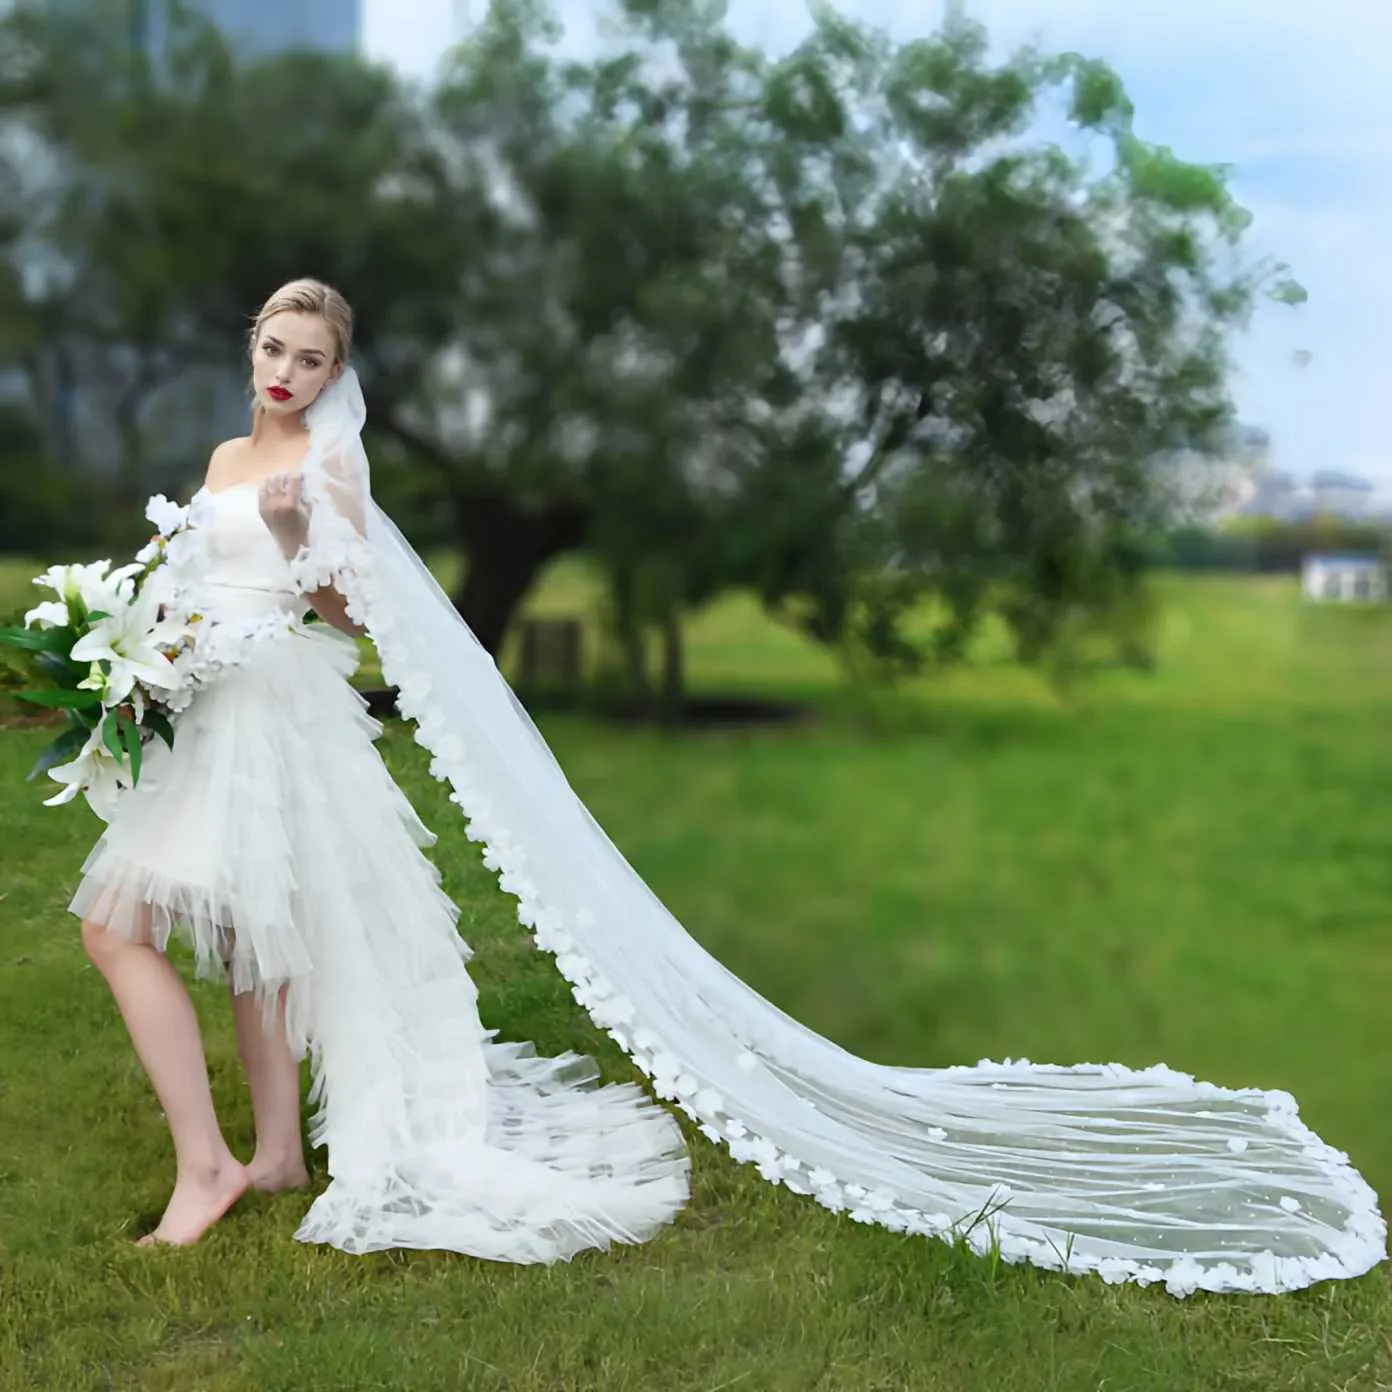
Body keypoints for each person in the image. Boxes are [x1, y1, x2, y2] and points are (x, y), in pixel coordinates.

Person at [69, 278, 1385, 1293]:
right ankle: (274, 1151)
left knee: (166, 927)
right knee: (248, 934)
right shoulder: (219, 465)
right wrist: (144, 649)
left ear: (336, 375)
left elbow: (360, 625)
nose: (287, 372)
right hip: (210, 713)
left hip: (284, 717)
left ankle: (221, 1164)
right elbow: (190, 586)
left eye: (312, 359)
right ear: (252, 350)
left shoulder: (326, 475)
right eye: (274, 349)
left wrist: (309, 557)